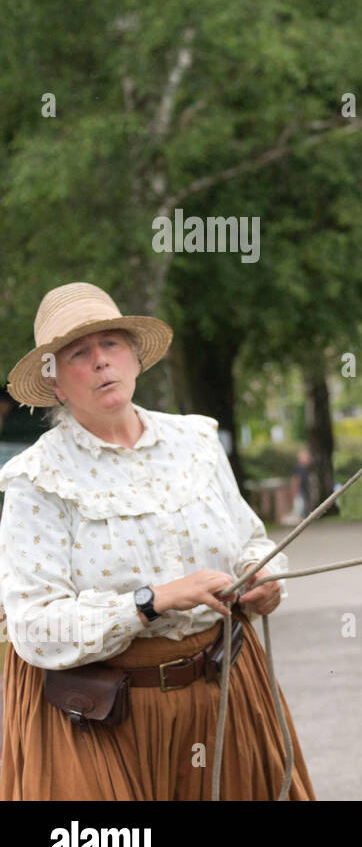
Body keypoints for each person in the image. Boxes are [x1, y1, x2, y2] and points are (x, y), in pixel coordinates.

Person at [0, 282, 314, 800]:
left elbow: (251, 542)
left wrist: (262, 580)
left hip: (224, 696)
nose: (102, 363)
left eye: (112, 346)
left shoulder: (196, 442)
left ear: (135, 360)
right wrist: (153, 601)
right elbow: (35, 630)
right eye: (80, 354)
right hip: (100, 723)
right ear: (55, 384)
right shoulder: (37, 479)